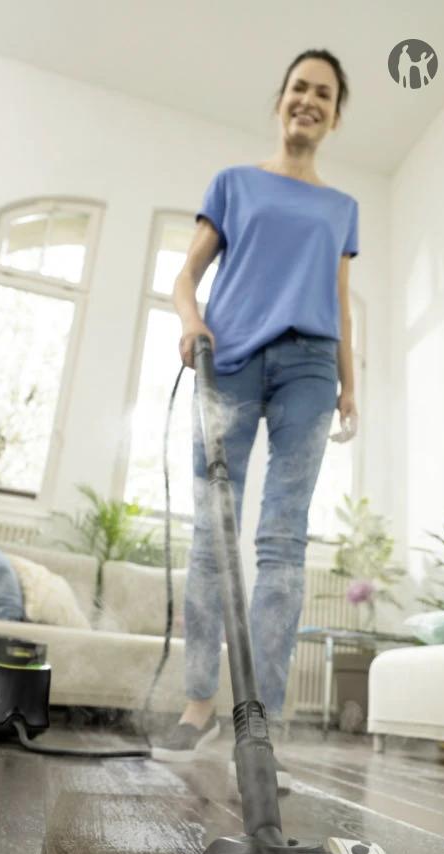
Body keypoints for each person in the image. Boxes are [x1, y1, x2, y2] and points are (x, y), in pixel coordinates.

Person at [151, 49, 359, 788]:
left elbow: (339, 303)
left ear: (335, 116)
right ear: (281, 100)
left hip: (310, 365)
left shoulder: (342, 208)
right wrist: (191, 321)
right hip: (230, 357)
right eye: (299, 87)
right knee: (213, 533)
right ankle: (199, 703)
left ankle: (260, 719)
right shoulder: (234, 183)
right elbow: (186, 275)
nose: (309, 100)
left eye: (324, 94)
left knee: (282, 541)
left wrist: (350, 386)